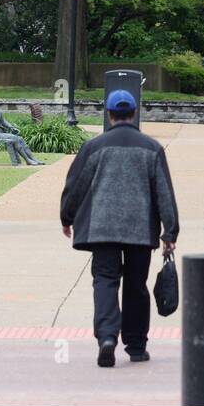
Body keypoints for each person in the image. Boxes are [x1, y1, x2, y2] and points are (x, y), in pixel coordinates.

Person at [60, 89, 179, 368]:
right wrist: (169, 232)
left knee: (105, 280)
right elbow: (164, 193)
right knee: (136, 285)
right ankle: (136, 346)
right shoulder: (151, 148)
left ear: (109, 114)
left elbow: (76, 185)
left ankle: (107, 338)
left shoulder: (95, 147)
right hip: (139, 230)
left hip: (102, 229)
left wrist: (67, 216)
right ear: (135, 113)